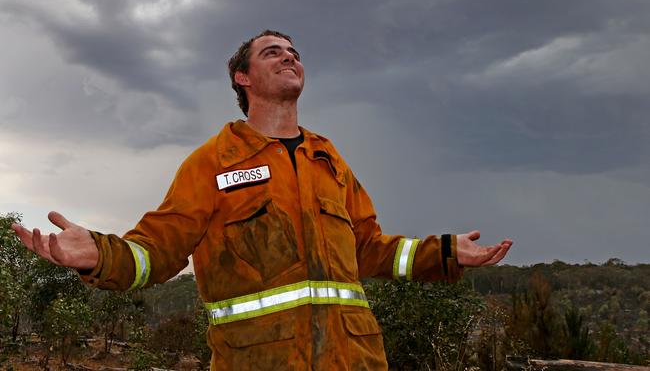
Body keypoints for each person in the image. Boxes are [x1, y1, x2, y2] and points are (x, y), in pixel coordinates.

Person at [13, 30, 512, 370]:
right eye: (272, 52)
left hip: (355, 359)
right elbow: (160, 248)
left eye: (293, 52)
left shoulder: (328, 159)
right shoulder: (214, 161)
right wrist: (102, 254)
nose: (289, 56)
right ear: (243, 78)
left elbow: (370, 248)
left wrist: (444, 251)